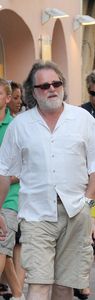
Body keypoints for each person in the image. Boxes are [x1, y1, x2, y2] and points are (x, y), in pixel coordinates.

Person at [0, 61, 95, 300]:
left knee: (64, 286)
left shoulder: (82, 119)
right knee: (39, 283)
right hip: (35, 214)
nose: (52, 89)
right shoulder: (20, 125)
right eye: (44, 86)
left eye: (56, 83)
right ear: (33, 91)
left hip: (75, 212)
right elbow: (3, 171)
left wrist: (88, 205)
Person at [0, 79, 24, 300]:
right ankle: (19, 295)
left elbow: (24, 168)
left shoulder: (16, 127)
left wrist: (5, 179)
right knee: (5, 254)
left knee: (1, 246)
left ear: (8, 99)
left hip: (8, 199)